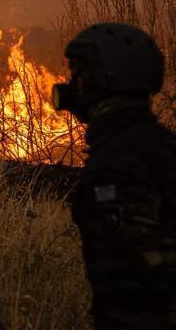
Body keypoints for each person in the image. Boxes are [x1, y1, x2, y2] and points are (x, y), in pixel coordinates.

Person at [52, 23, 175, 329]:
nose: (72, 84)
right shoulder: (161, 145)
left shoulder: (116, 163)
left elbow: (131, 280)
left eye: (78, 73)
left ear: (103, 78)